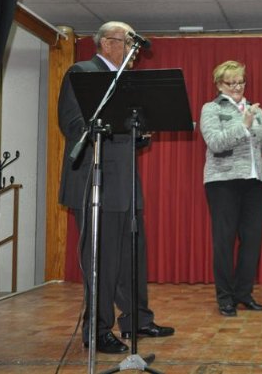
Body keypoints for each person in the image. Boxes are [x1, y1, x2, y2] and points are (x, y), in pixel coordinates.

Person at [58, 21, 174, 354]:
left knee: (132, 256)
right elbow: (72, 123)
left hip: (126, 184)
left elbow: (121, 130)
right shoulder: (82, 73)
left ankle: (136, 320)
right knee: (103, 261)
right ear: (108, 43)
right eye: (129, 43)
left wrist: (137, 134)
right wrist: (117, 129)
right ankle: (97, 329)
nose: (134, 52)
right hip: (94, 184)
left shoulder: (126, 81)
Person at [200, 60, 262, 317]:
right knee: (224, 241)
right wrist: (243, 126)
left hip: (253, 180)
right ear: (219, 85)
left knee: (252, 241)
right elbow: (215, 143)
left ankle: (244, 294)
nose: (237, 87)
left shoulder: (254, 109)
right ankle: (225, 298)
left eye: (240, 82)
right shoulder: (211, 109)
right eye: (231, 83)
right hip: (222, 182)